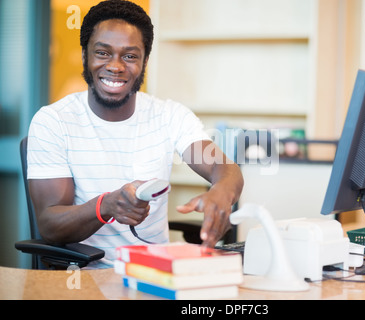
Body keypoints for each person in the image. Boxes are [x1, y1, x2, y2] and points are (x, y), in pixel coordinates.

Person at [27, 0, 244, 268]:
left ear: (144, 61)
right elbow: (50, 224)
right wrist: (105, 206)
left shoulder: (170, 115)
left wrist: (221, 191)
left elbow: (224, 168)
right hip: (85, 281)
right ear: (85, 55)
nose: (116, 66)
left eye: (129, 56)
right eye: (103, 53)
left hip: (155, 277)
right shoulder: (53, 122)